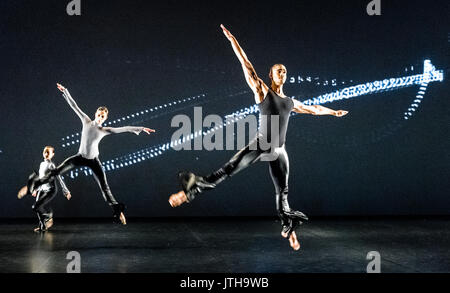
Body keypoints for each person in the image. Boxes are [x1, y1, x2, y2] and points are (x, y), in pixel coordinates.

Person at [169, 25, 348, 250]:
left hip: (279, 150)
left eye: (284, 71)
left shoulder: (291, 102)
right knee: (228, 169)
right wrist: (233, 40)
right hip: (262, 143)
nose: (282, 73)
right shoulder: (263, 91)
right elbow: (247, 65)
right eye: (278, 70)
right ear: (270, 74)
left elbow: (313, 109)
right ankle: (189, 193)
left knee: (283, 192)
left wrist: (333, 112)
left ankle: (288, 228)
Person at [28, 83, 156, 225]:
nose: (100, 117)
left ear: (105, 118)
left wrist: (141, 128)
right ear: (95, 114)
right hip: (79, 157)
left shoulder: (104, 130)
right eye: (99, 115)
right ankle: (36, 183)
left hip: (94, 161)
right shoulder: (86, 121)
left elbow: (124, 128)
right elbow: (74, 106)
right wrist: (65, 91)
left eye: (103, 116)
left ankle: (117, 211)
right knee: (56, 170)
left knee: (104, 187)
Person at [18, 146, 71, 232]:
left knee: (35, 206)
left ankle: (48, 216)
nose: (46, 154)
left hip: (50, 190)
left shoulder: (51, 165)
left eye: (48, 152)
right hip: (42, 189)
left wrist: (66, 191)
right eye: (45, 152)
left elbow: (59, 178)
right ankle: (43, 227)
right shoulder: (42, 164)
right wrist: (36, 189)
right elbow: (41, 179)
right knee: (38, 209)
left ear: (52, 154)